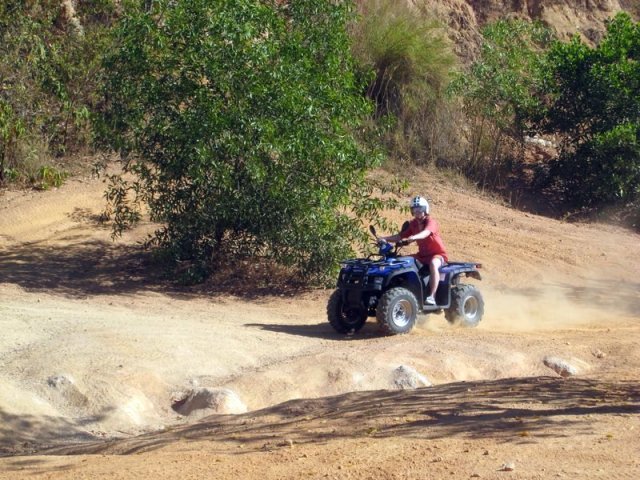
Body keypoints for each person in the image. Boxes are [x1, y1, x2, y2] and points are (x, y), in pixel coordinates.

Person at [379, 196, 448, 305]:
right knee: (402, 261)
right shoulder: (413, 224)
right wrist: (384, 238)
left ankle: (432, 296)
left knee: (433, 265)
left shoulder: (431, 222)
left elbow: (426, 233)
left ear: (425, 210)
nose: (417, 212)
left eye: (419, 209)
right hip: (422, 256)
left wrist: (413, 237)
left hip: (437, 255)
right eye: (414, 210)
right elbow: (400, 236)